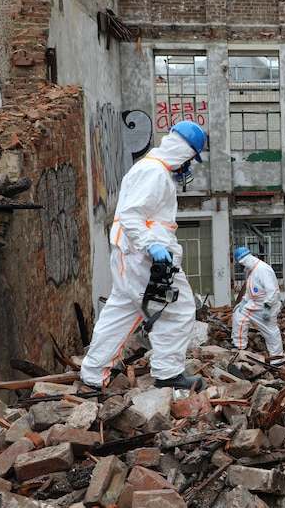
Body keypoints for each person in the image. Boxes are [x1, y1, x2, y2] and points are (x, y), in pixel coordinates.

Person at [80, 121, 208, 391]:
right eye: (190, 159)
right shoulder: (156, 173)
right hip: (146, 259)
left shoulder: (149, 166)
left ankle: (93, 374)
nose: (188, 166)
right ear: (185, 153)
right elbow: (130, 215)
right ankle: (168, 373)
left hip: (132, 256)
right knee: (177, 309)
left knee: (122, 311)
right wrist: (152, 246)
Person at [232, 246, 285, 366]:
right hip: (254, 304)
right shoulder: (253, 270)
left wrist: (267, 307)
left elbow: (272, 291)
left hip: (266, 306)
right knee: (239, 315)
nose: (242, 268)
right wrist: (243, 301)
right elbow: (251, 290)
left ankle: (277, 359)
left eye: (241, 265)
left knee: (270, 332)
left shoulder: (263, 269)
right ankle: (239, 346)